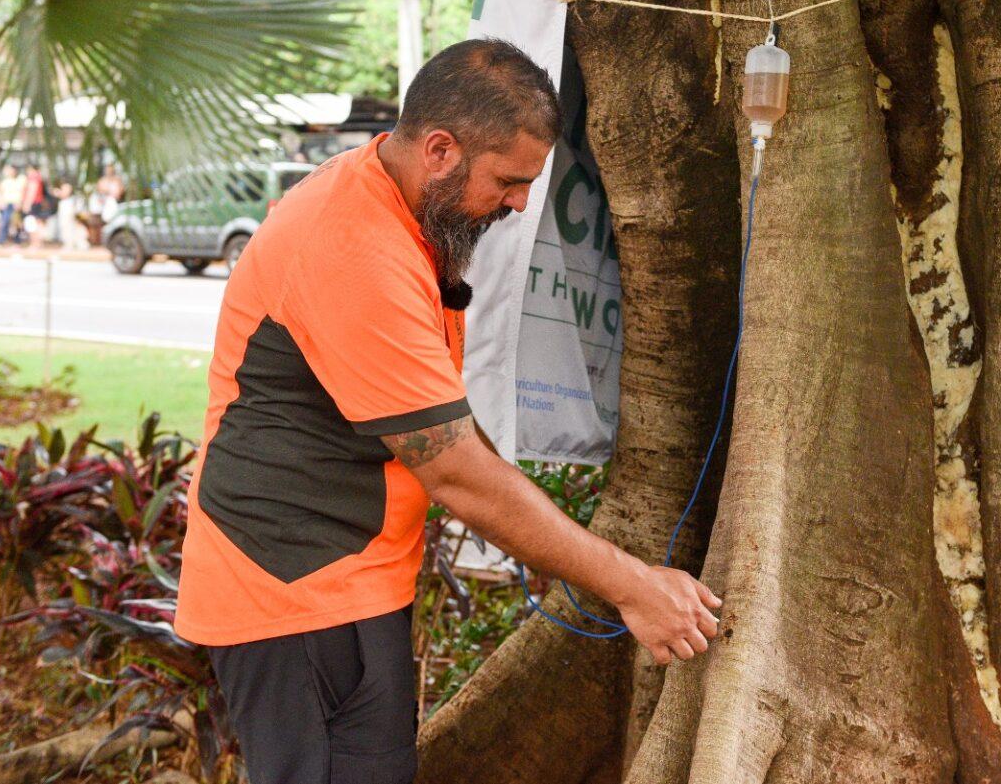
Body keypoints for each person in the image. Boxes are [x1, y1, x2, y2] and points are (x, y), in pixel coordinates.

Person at [173, 39, 720, 784]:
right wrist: (630, 585)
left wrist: (565, 546)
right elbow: (457, 471)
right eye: (509, 179)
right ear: (439, 149)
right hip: (295, 592)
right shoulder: (353, 247)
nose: (522, 200)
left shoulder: (393, 205)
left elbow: (443, 419)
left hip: (345, 577)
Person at [0, 165, 23, 244]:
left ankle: (17, 240)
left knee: (16, 222)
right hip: (7, 204)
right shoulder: (4, 181)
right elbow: (1, 193)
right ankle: (1, 240)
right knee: (4, 222)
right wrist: (1, 202)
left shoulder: (20, 179)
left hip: (15, 204)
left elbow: (21, 192)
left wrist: (19, 203)